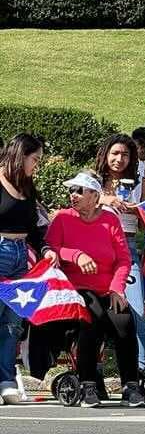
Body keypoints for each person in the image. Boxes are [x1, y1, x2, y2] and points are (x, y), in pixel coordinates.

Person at [45, 172, 143, 407]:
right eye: (72, 190)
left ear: (95, 196)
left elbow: (123, 259)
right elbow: (50, 249)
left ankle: (131, 385)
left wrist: (117, 289)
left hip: (108, 287)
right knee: (92, 318)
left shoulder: (110, 220)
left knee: (124, 321)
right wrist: (76, 255)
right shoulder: (62, 219)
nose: (73, 195)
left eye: (79, 191)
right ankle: (88, 383)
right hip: (74, 287)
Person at [0, 134, 56, 402]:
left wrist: (45, 249)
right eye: (35, 159)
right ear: (20, 155)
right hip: (0, 250)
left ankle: (6, 380)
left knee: (12, 324)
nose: (37, 165)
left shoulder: (27, 185)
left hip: (21, 256)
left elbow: (34, 227)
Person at [93, 134, 145, 379]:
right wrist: (106, 199)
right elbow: (76, 203)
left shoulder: (139, 183)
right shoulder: (94, 182)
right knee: (97, 314)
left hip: (127, 246)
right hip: (97, 247)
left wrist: (137, 211)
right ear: (105, 155)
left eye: (125, 154)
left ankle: (141, 370)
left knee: (136, 311)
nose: (119, 159)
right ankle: (95, 369)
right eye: (114, 154)